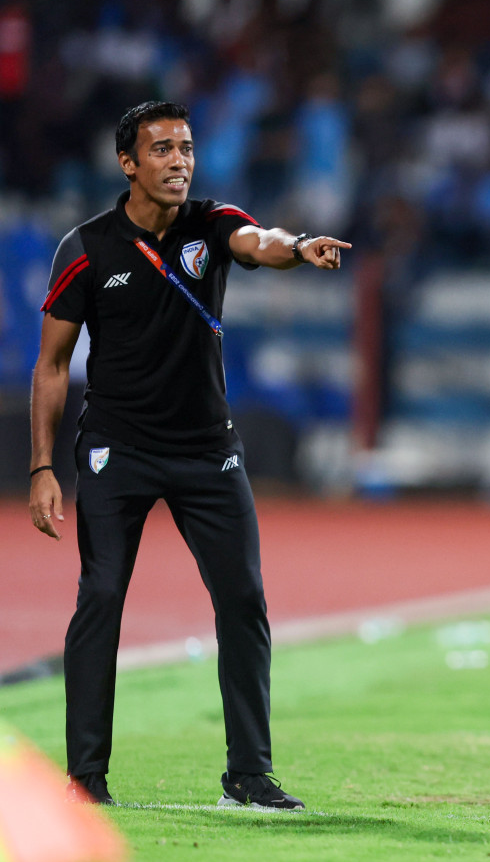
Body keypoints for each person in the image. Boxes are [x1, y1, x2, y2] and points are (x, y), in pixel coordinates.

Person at [29, 100, 349, 811]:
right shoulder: (86, 248)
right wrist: (42, 467)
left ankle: (249, 775)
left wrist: (296, 248)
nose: (180, 161)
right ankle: (86, 777)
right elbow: (51, 366)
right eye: (163, 149)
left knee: (243, 600)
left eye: (187, 147)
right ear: (128, 164)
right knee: (101, 598)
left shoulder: (212, 222)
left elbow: (258, 241)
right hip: (118, 449)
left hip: (209, 451)